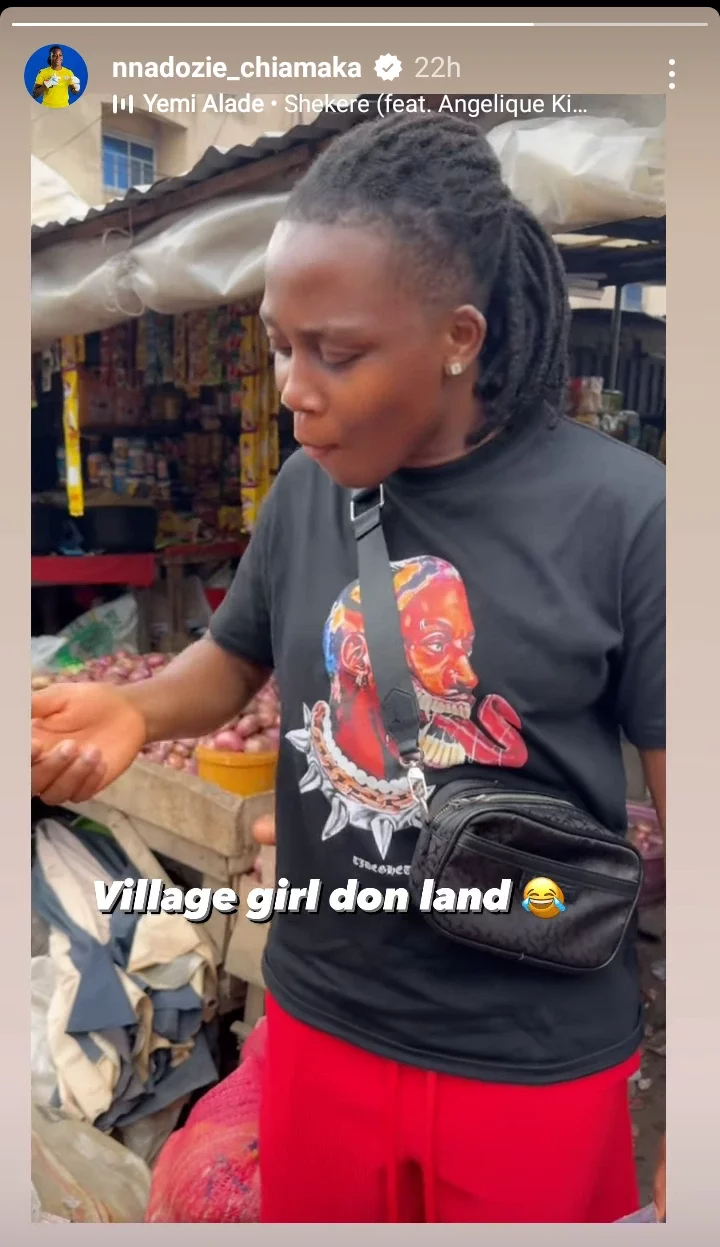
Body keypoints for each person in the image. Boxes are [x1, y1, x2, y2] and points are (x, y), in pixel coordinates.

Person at [31, 112, 666, 1224]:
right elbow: (230, 662)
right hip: (327, 1023)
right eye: (280, 343)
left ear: (458, 335)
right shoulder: (308, 490)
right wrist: (132, 709)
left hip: (532, 1056)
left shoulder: (629, 517)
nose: (294, 387)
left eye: (338, 350)